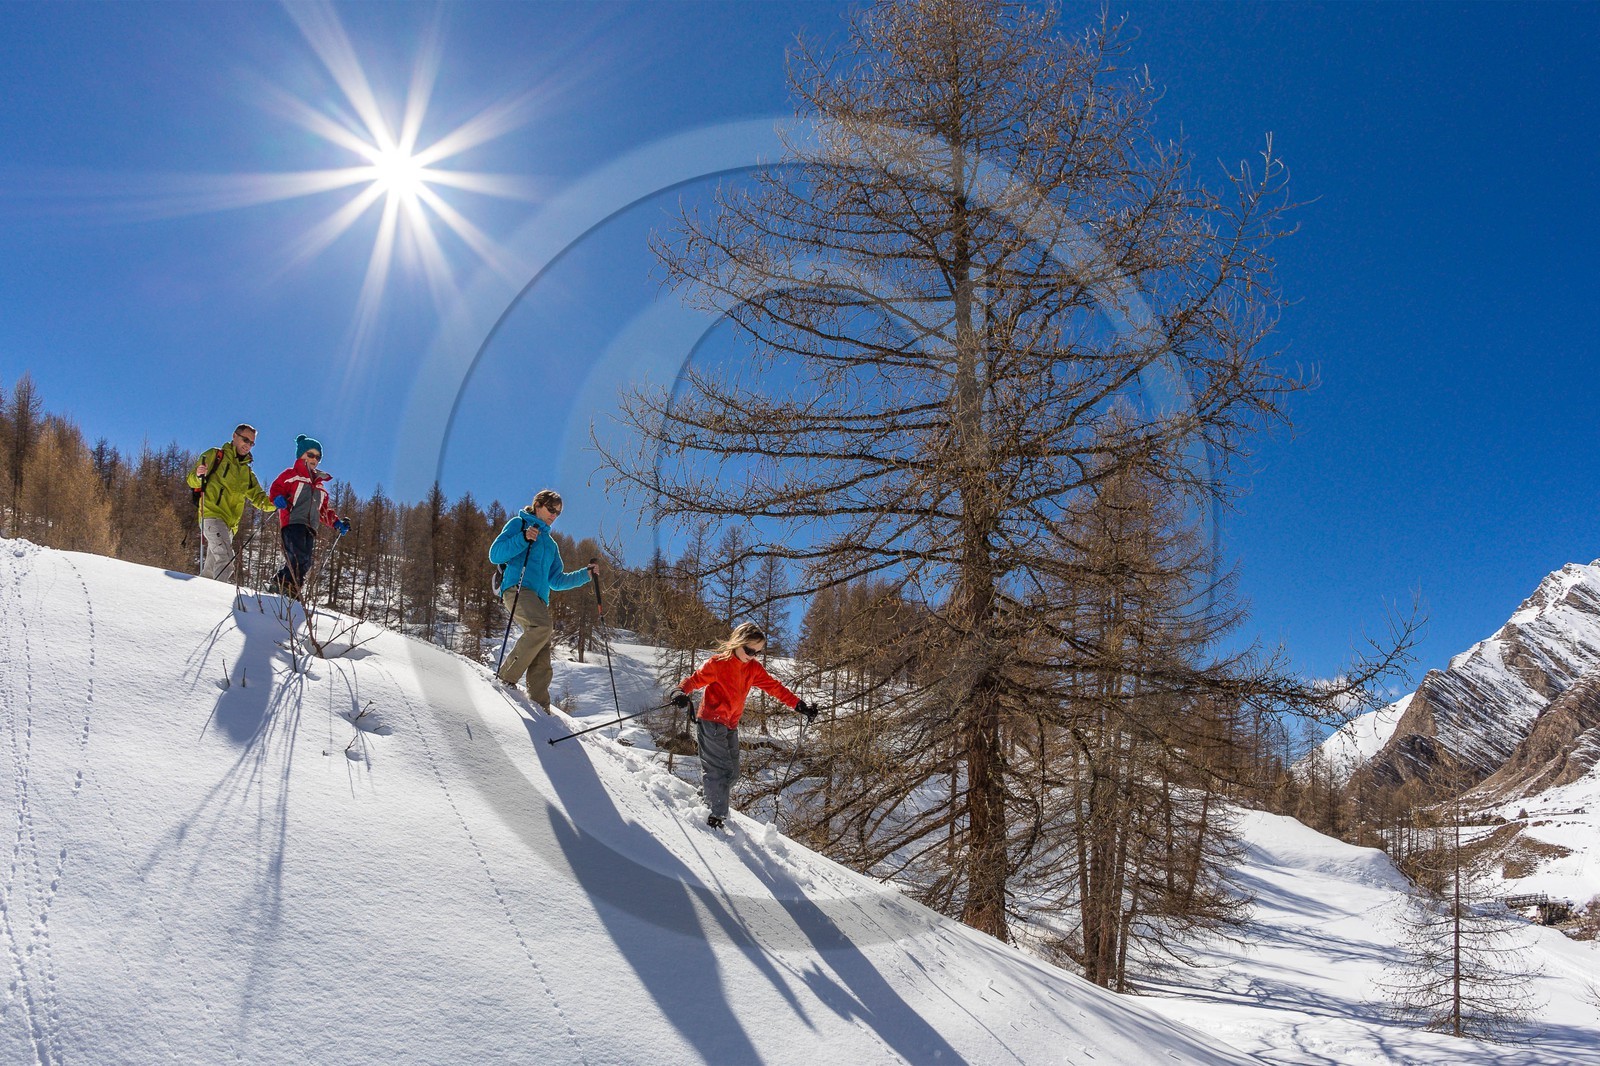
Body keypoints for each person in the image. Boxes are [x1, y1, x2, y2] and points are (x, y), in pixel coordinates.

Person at [672, 622, 815, 830]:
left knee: (733, 773)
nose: (752, 656)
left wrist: (799, 705)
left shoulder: (753, 668)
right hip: (711, 721)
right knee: (720, 770)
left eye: (757, 652)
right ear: (737, 643)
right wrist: (679, 691)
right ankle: (714, 816)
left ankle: (707, 799)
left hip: (730, 724)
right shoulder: (718, 663)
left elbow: (774, 687)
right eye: (749, 650)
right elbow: (694, 680)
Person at [488, 489, 596, 709]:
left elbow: (557, 580)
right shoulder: (519, 524)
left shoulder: (551, 545)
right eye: (551, 509)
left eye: (558, 512)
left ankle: (540, 705)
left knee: (542, 649)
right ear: (537, 505)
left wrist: (586, 575)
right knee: (542, 627)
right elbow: (495, 554)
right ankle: (506, 676)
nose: (554, 515)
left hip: (538, 600)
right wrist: (523, 538)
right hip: (517, 589)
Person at [185, 423, 276, 581]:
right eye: (245, 440)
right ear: (234, 436)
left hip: (230, 526)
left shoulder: (247, 473)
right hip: (212, 515)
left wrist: (276, 504)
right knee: (226, 561)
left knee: (211, 570)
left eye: (251, 443)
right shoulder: (216, 455)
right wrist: (198, 475)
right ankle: (216, 596)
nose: (248, 445)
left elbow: (259, 498)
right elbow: (191, 480)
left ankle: (199, 593)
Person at [267, 434, 348, 597]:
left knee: (306, 561)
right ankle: (287, 587)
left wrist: (337, 523)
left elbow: (323, 511)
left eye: (318, 457)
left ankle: (288, 587)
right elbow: (276, 488)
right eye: (310, 454)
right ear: (301, 455)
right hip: (293, 522)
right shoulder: (292, 475)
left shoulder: (320, 486)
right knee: (297, 557)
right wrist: (277, 498)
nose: (314, 459)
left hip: (310, 527)